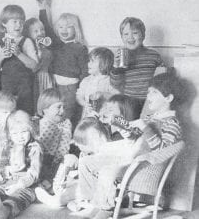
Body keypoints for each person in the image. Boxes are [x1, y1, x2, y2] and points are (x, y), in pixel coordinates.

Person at [76, 72, 183, 219]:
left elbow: (162, 151)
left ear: (168, 98)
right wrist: (118, 123)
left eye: (154, 92)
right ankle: (94, 202)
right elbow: (132, 136)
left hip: (140, 165)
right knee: (85, 162)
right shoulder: (150, 117)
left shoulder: (172, 123)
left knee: (107, 172)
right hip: (127, 156)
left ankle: (105, 208)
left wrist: (146, 128)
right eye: (148, 92)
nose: (149, 96)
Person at [35, 117, 108, 208]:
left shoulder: (103, 155)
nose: (79, 145)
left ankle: (55, 201)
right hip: (90, 187)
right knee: (70, 183)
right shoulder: (90, 153)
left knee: (73, 191)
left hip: (98, 190)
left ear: (96, 139)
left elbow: (97, 179)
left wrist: (76, 181)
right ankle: (73, 202)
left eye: (83, 143)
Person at [38, 0, 89, 126]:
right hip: (54, 85)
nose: (64, 30)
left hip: (70, 88)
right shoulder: (56, 43)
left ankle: (68, 140)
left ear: (75, 29)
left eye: (68, 27)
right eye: (60, 27)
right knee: (53, 113)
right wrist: (42, 7)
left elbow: (84, 71)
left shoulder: (80, 48)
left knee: (67, 115)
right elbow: (46, 26)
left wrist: (82, 90)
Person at [110, 17, 164, 114]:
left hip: (150, 100)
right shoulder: (121, 57)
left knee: (148, 126)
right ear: (122, 37)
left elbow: (162, 77)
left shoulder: (154, 55)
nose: (130, 37)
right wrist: (116, 67)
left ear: (143, 36)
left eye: (135, 33)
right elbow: (115, 84)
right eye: (126, 34)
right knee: (129, 127)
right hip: (129, 100)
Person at [0, 5, 39, 115]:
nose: (19, 25)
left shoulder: (27, 41)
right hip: (7, 87)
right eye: (15, 21)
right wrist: (1, 57)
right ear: (4, 23)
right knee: (6, 115)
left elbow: (35, 66)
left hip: (25, 87)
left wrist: (19, 54)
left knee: (25, 115)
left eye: (21, 22)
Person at [36, 88, 72, 188]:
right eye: (58, 107)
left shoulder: (65, 123)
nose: (62, 111)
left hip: (58, 161)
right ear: (45, 109)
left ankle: (50, 183)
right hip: (40, 161)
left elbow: (63, 149)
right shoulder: (38, 124)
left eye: (64, 107)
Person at [22, 18, 55, 113]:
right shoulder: (30, 47)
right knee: (38, 99)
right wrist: (39, 51)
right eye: (35, 31)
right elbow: (35, 65)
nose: (40, 33)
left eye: (42, 29)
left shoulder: (46, 45)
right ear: (29, 34)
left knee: (49, 100)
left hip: (48, 77)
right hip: (37, 78)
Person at [76, 47, 119, 118]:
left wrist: (103, 94)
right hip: (87, 115)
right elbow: (79, 96)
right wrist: (84, 104)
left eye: (92, 61)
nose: (88, 64)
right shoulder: (86, 80)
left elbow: (117, 97)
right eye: (89, 61)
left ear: (103, 64)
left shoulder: (110, 80)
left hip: (104, 116)